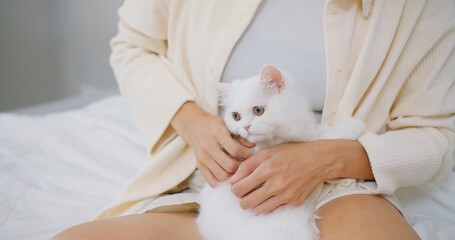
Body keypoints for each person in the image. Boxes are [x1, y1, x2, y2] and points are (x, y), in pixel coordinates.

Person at [53, 0, 455, 239]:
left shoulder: (417, 11)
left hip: (340, 188)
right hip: (206, 186)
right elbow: (133, 48)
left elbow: (438, 133)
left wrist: (329, 158)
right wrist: (191, 122)